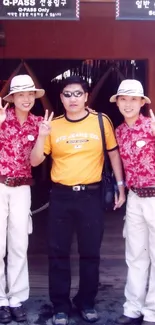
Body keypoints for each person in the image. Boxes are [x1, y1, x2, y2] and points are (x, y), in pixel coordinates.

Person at [30, 75, 125, 325]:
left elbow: (113, 155)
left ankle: (86, 302)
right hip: (61, 196)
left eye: (77, 94)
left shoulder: (101, 121)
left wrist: (120, 186)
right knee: (58, 252)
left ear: (86, 96)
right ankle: (60, 305)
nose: (73, 99)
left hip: (91, 196)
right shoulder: (54, 125)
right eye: (67, 94)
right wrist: (42, 135)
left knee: (90, 252)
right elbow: (35, 161)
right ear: (61, 98)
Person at [0, 74, 52, 324]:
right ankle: (0, 299)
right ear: (13, 98)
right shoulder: (1, 118)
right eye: (21, 94)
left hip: (22, 188)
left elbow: (34, 161)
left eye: (30, 94)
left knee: (19, 244)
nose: (26, 98)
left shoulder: (38, 123)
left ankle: (16, 298)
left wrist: (42, 136)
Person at [110, 79, 155, 325]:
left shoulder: (152, 126)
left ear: (141, 102)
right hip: (135, 198)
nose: (128, 104)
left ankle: (152, 312)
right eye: (123, 99)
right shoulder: (119, 131)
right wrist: (122, 189)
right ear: (117, 103)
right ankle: (133, 308)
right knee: (135, 255)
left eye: (133, 99)